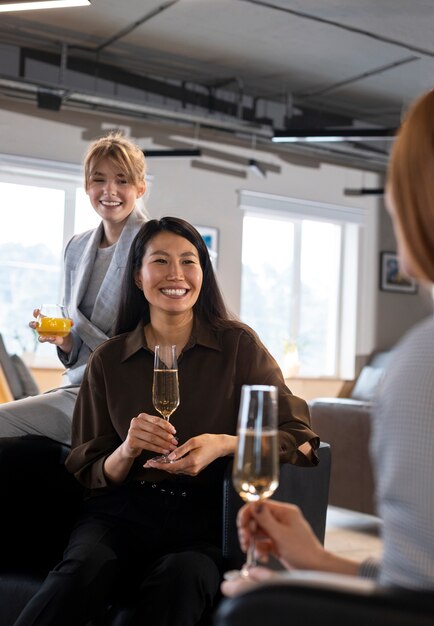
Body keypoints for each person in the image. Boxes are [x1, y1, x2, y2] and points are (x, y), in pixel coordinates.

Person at [13, 216, 319, 626]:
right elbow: (88, 469)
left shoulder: (238, 347)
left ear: (202, 274)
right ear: (138, 277)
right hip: (120, 514)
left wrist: (225, 444)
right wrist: (127, 449)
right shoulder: (108, 359)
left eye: (188, 261)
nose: (176, 274)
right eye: (160, 261)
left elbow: (300, 437)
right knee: (77, 574)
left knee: (183, 580)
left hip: (204, 518)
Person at [222, 87, 434, 598]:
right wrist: (317, 559)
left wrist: (268, 600)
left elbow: (410, 607)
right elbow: (417, 579)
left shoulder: (422, 363)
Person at [0, 131, 148, 446]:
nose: (110, 191)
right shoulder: (77, 247)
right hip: (77, 384)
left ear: (140, 187)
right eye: (99, 180)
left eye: (122, 180)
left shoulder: (152, 243)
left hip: (126, 393)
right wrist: (64, 339)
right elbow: (76, 341)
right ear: (86, 187)